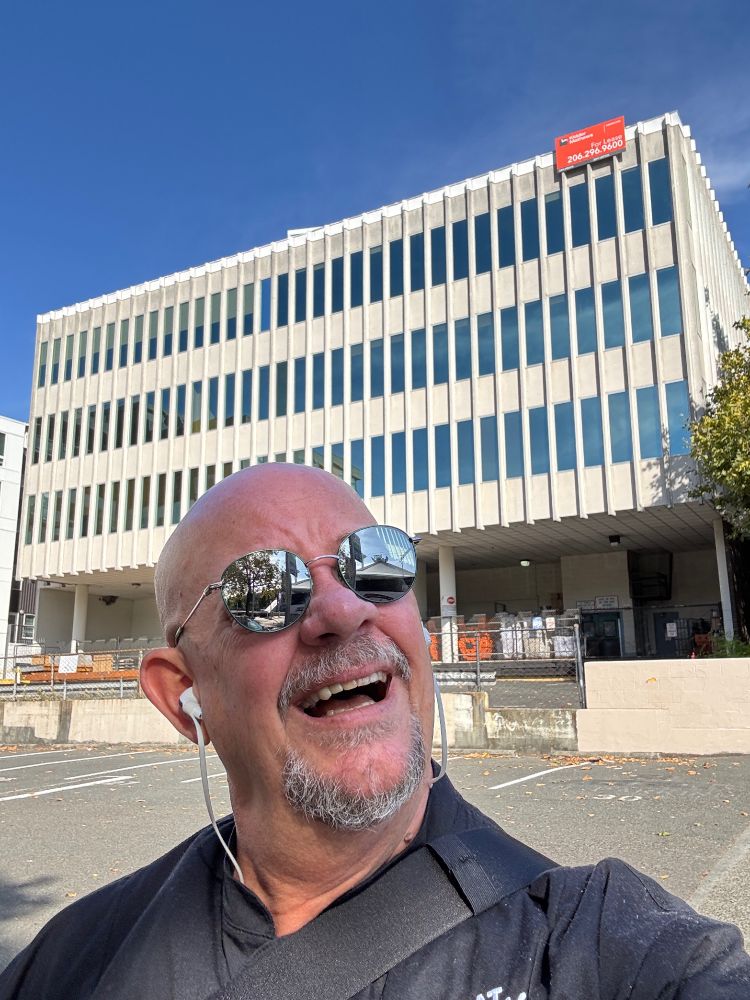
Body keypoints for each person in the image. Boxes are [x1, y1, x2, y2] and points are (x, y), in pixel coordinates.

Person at [1, 463, 748, 1000]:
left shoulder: (595, 941)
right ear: (182, 693)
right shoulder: (72, 963)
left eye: (375, 565)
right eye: (266, 587)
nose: (344, 610)